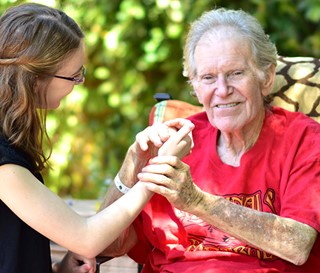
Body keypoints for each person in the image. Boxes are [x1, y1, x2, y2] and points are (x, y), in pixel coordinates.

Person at [98, 7, 320, 273]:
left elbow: (296, 244)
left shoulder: (302, 139)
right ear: (195, 86)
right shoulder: (174, 143)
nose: (222, 90)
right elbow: (106, 247)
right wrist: (131, 166)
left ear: (266, 77)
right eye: (208, 78)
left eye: (236, 73)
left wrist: (196, 201)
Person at [0, 3, 194, 273]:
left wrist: (59, 269)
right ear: (35, 79)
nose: (78, 82)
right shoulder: (4, 165)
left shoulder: (10, 143)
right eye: (74, 75)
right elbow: (87, 238)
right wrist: (158, 172)